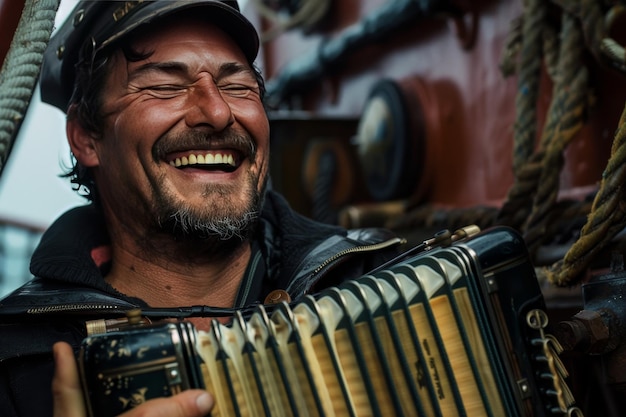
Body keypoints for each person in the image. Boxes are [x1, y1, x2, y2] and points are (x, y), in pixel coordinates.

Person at [0, 1, 404, 416]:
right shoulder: (13, 361)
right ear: (86, 137)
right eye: (165, 86)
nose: (217, 111)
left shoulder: (385, 283)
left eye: (238, 86)